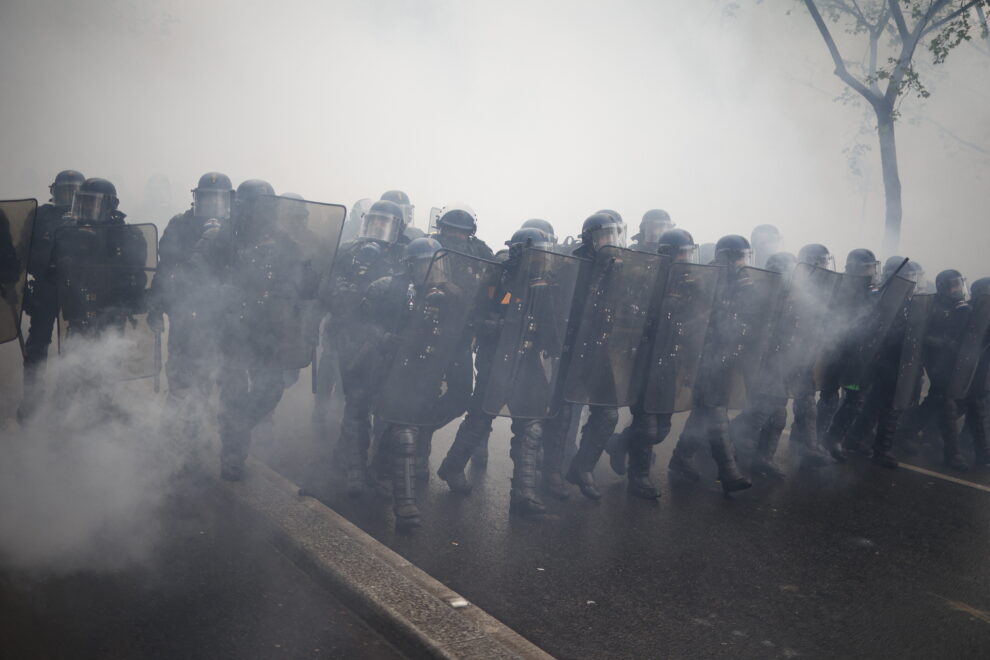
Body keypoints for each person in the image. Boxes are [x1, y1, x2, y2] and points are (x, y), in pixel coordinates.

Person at [669, 235, 777, 494]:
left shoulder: (744, 284)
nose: (743, 263)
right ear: (726, 258)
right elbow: (696, 319)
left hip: (726, 357)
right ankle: (728, 472)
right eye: (739, 257)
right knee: (715, 411)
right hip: (702, 357)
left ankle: (680, 458)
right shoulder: (704, 280)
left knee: (705, 411)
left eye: (745, 257)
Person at [323, 199, 410, 495]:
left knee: (385, 405)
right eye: (373, 222)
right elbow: (330, 295)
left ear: (398, 229)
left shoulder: (405, 256)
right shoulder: (348, 252)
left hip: (390, 344)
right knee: (357, 402)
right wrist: (357, 279)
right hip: (354, 340)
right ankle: (355, 469)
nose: (377, 230)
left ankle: (363, 463)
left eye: (384, 224)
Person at [50, 178, 151, 421]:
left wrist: (123, 294)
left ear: (111, 205)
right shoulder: (68, 232)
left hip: (111, 311)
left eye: (93, 204)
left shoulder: (128, 235)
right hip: (80, 310)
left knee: (107, 366)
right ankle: (52, 421)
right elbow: (52, 269)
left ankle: (99, 417)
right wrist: (65, 241)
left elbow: (137, 277)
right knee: (73, 366)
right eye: (82, 203)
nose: (87, 210)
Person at [147, 172, 234, 439]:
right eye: (206, 198)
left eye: (217, 199)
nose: (211, 205)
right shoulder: (180, 225)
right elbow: (166, 269)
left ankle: (205, 429)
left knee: (215, 372)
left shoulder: (237, 228)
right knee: (180, 371)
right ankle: (178, 434)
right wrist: (155, 306)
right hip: (184, 309)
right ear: (196, 198)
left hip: (221, 314)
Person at [18, 169, 85, 422]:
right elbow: (22, 252)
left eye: (74, 192)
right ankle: (32, 403)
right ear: (54, 192)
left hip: (76, 290)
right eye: (64, 190)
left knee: (73, 346)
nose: (69, 196)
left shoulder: (88, 214)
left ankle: (62, 407)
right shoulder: (41, 216)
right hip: (45, 287)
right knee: (37, 346)